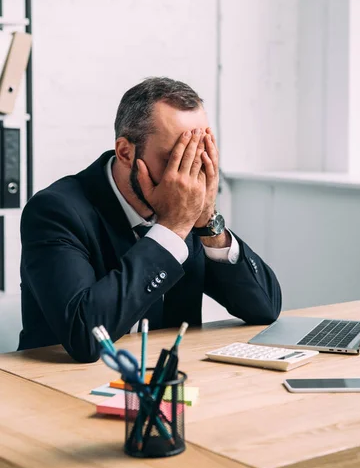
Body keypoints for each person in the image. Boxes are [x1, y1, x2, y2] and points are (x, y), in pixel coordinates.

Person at [18, 77, 282, 362]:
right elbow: (84, 336)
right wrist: (172, 228)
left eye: (199, 153)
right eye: (176, 157)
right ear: (126, 152)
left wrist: (207, 221)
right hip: (54, 385)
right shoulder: (56, 211)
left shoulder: (190, 204)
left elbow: (264, 308)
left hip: (166, 380)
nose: (190, 173)